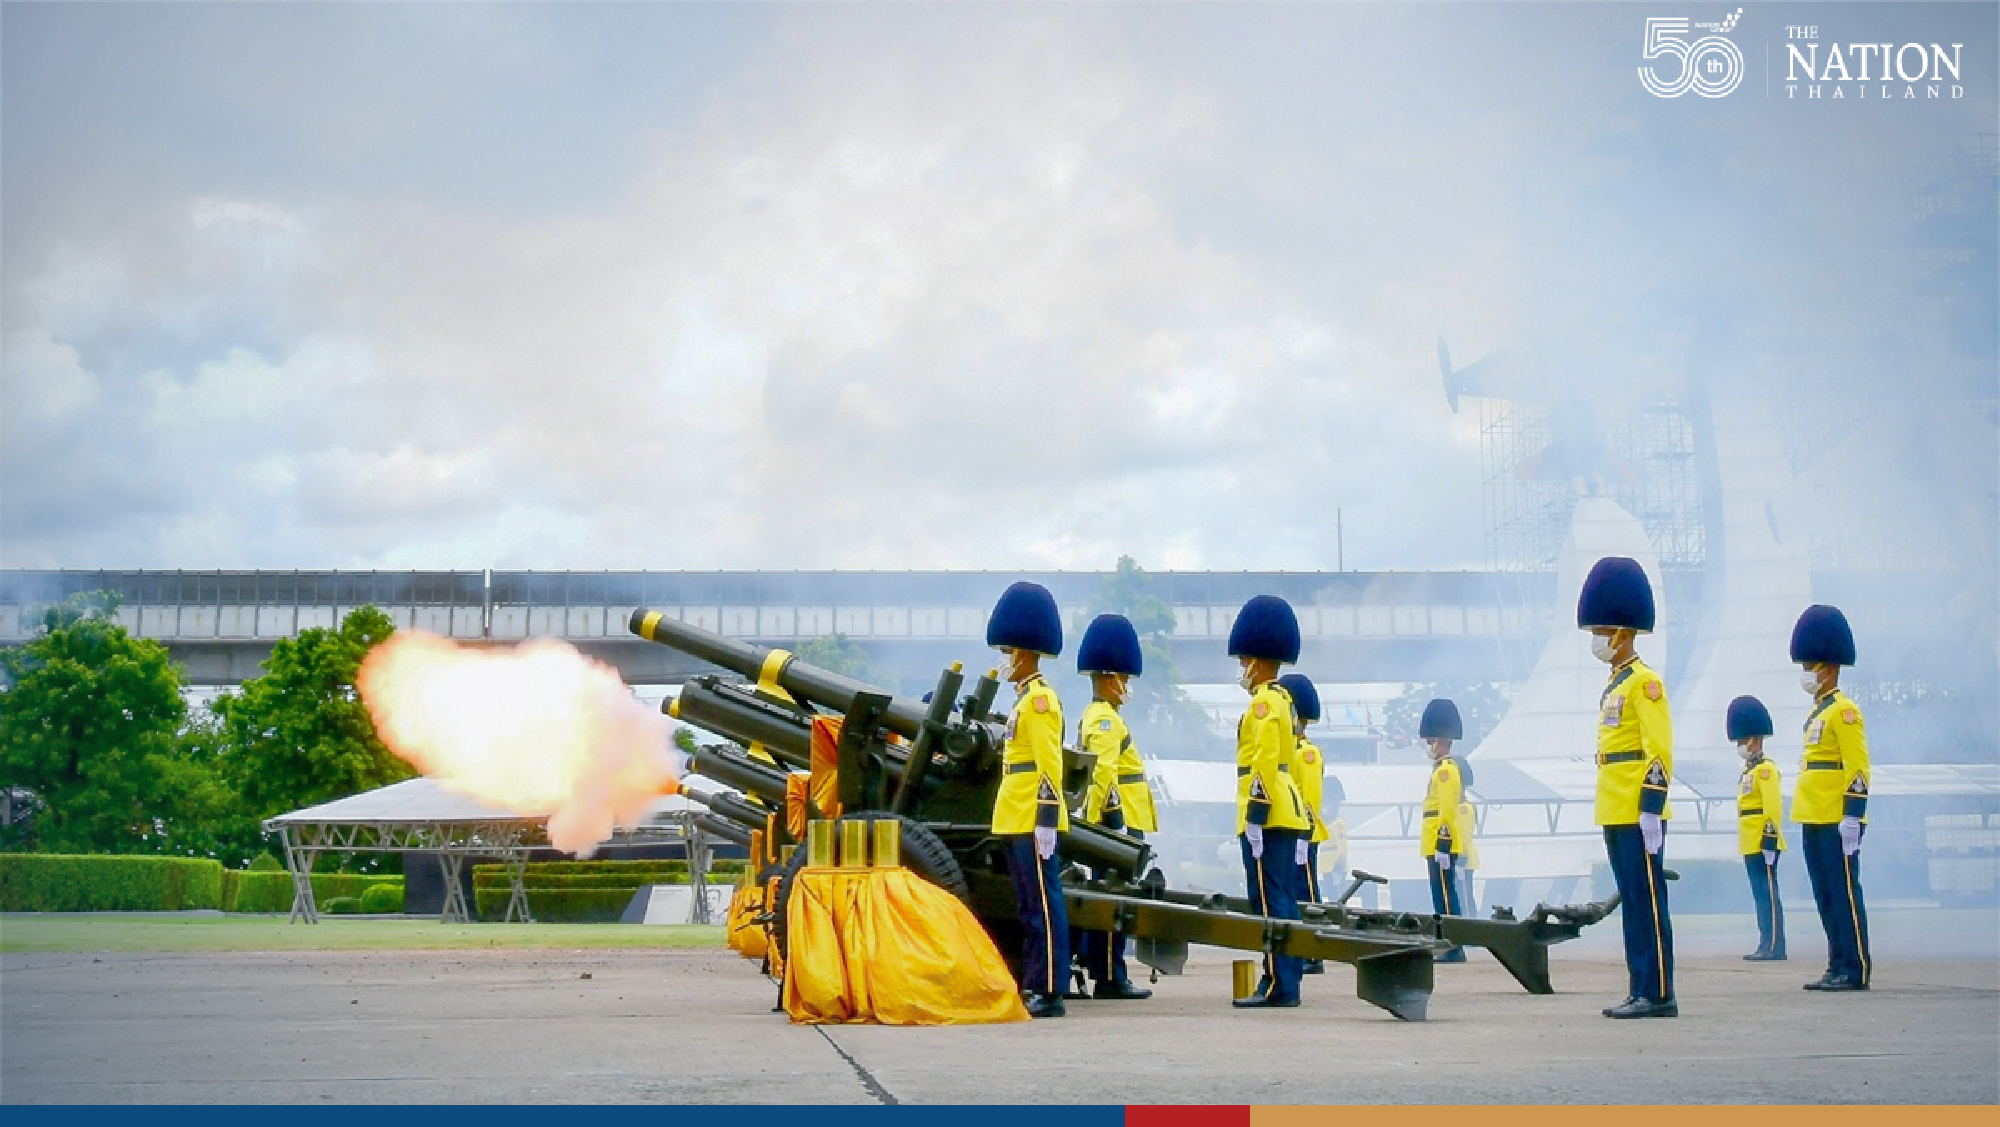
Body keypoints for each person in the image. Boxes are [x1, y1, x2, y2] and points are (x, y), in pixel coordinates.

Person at [1580, 556, 1677, 1018]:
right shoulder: (1616, 683)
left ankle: (1658, 993)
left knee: (1648, 903)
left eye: (1602, 631)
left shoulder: (1646, 684)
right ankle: (1640, 987)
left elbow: (1657, 750)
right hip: (1614, 806)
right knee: (1634, 905)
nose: (1597, 640)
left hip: (1637, 808)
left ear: (1622, 632)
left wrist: (1651, 806)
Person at [985, 581, 1070, 1018]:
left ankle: (1050, 987)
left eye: (1007, 652)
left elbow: (1047, 764)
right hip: (1015, 811)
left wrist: (1046, 819)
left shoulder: (1039, 701)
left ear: (1023, 652)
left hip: (1031, 813)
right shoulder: (1025, 700)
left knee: (1041, 905)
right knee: (1027, 905)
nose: (1004, 661)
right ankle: (1038, 982)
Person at [1228, 594, 1311, 1008]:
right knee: (1281, 899)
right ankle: (1285, 979)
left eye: (1245, 661)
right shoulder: (1282, 701)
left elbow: (1260, 764)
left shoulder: (1263, 704)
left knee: (1270, 900)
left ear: (1258, 660)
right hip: (1286, 808)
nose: (1242, 669)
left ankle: (1280, 983)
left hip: (1269, 811)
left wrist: (1255, 816)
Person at [1073, 613, 1155, 1001]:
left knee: (1112, 899)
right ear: (1109, 678)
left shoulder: (1102, 717)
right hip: (1116, 821)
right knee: (1113, 901)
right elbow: (1102, 773)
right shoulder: (1105, 722)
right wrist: (1100, 825)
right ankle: (1110, 976)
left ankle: (1108, 971)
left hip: (1116, 819)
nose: (1127, 687)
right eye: (1124, 679)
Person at [1791, 605, 1871, 992]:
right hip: (1815, 816)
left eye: (1811, 665)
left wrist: (1853, 815)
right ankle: (1836, 962)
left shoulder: (1845, 712)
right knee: (1825, 895)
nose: (1807, 672)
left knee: (1844, 895)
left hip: (1837, 819)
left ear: (1830, 666)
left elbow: (1857, 768)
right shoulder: (1818, 712)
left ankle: (1854, 966)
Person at [1728, 695, 1788, 962]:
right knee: (1760, 895)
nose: (1740, 746)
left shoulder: (1766, 771)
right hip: (1750, 841)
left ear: (1753, 739)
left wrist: (1770, 840)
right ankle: (1765, 942)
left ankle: (1774, 944)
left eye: (1742, 741)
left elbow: (1772, 808)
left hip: (1764, 841)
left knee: (1768, 895)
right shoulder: (1749, 771)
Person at [1278, 673, 1327, 974]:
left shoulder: (1306, 753)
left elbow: (1309, 799)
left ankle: (1314, 953)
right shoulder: (1292, 750)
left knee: (1307, 896)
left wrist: (1303, 836)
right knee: (1296, 894)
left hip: (1303, 835)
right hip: (1293, 833)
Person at [1419, 698, 1468, 963]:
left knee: (1446, 897)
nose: (1429, 747)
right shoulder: (1440, 770)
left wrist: (1443, 842)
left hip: (1441, 841)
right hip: (1434, 842)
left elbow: (1447, 810)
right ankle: (1448, 943)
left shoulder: (1447, 772)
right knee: (1441, 895)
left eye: (1431, 742)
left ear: (1440, 741)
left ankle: (1453, 945)